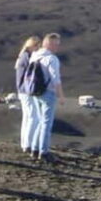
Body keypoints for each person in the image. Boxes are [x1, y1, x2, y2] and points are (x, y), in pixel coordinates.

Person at [30, 32, 65, 162]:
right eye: (56, 44)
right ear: (49, 44)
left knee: (40, 121)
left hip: (35, 92)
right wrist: (61, 96)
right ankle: (44, 152)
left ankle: (35, 149)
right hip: (48, 93)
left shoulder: (34, 56)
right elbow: (56, 79)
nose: (57, 47)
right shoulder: (51, 59)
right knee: (46, 123)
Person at [14, 36, 40, 154]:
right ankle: (28, 144)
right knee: (33, 117)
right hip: (27, 91)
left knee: (27, 117)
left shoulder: (22, 56)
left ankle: (25, 142)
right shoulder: (27, 57)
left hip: (22, 91)